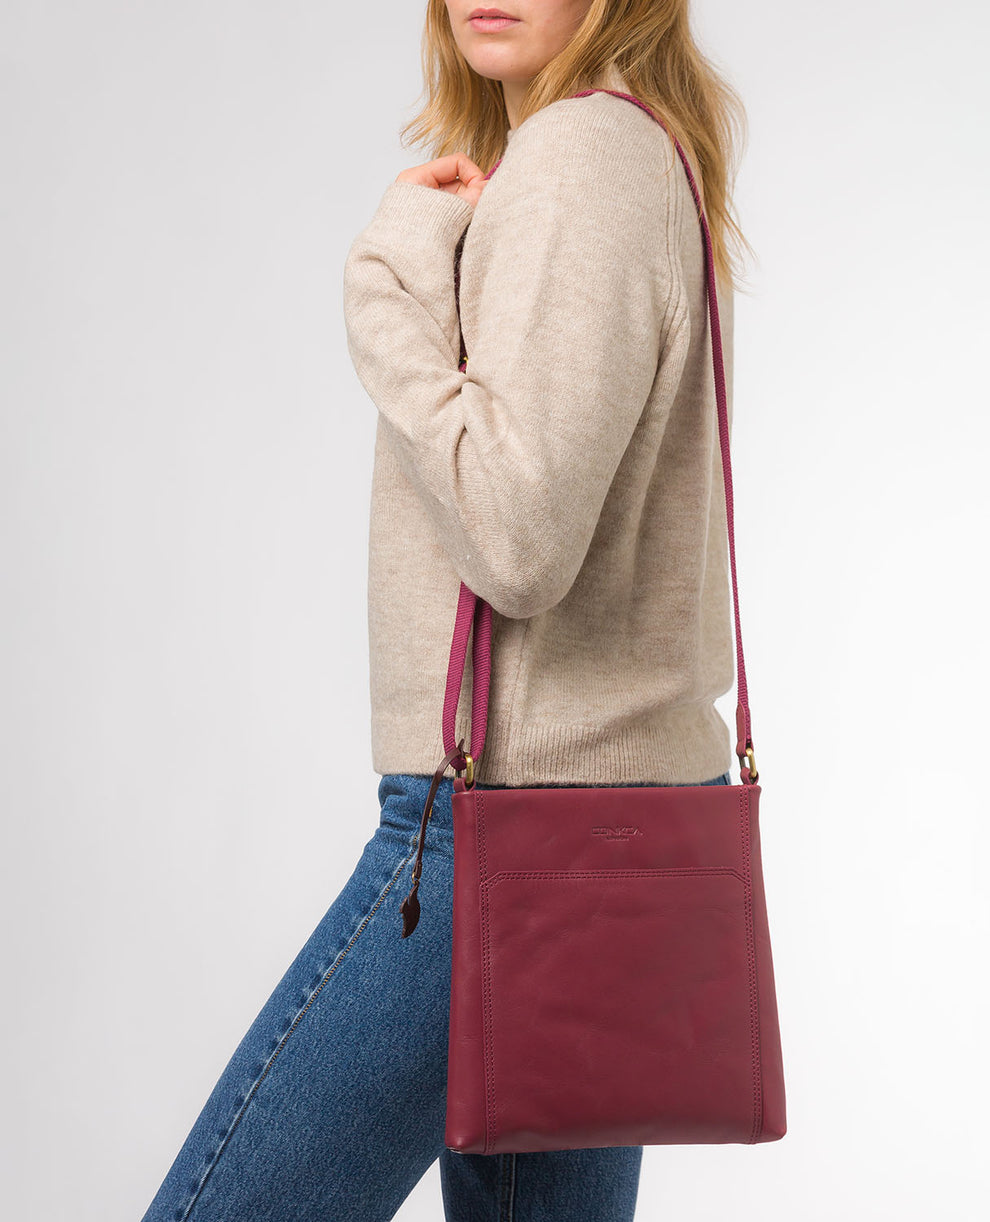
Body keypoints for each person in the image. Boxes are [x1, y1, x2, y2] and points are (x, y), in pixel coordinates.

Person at [139, 1, 752, 1218]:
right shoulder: (637, 153)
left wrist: (386, 290)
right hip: (608, 829)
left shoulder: (581, 156)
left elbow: (517, 537)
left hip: (507, 828)